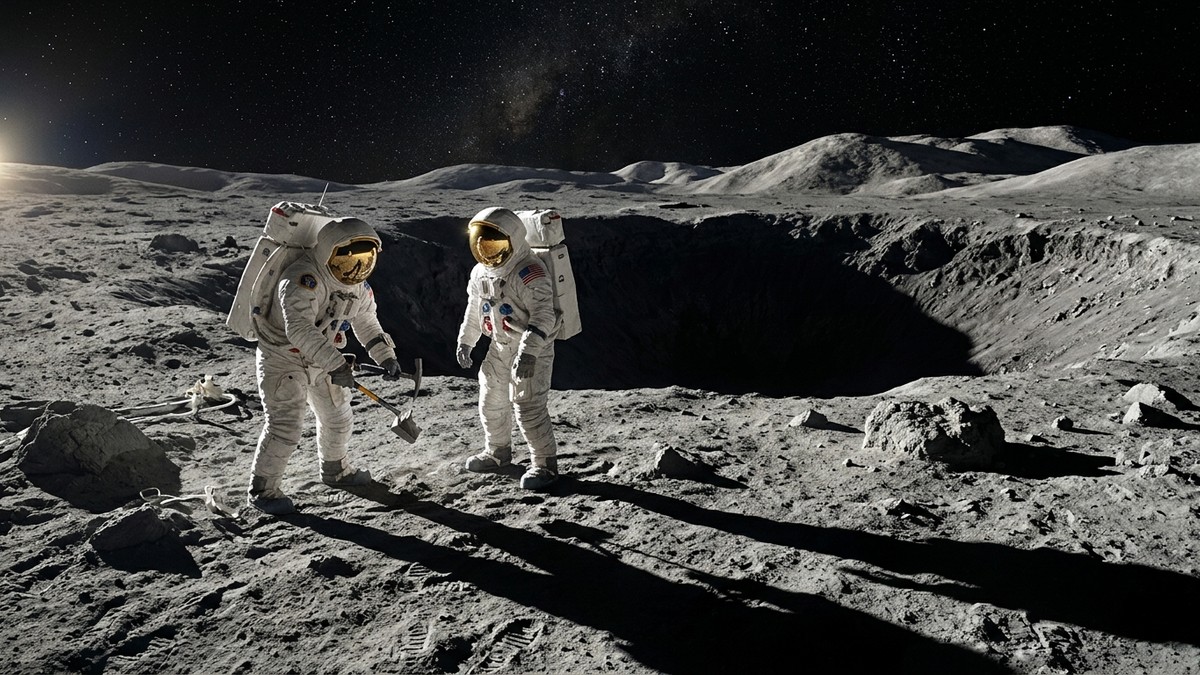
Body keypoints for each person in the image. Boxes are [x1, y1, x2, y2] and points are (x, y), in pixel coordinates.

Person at [245, 216, 403, 514]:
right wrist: (337, 365)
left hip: (325, 359)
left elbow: (366, 321)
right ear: (328, 253)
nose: (355, 269)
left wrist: (385, 356)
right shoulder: (301, 279)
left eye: (363, 261)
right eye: (347, 262)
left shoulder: (357, 287)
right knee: (285, 427)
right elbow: (299, 329)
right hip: (283, 358)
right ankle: (263, 492)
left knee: (338, 416)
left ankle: (335, 470)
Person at [456, 207, 560, 490]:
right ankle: (498, 452)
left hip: (531, 349)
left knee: (527, 406)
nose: (486, 251)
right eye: (481, 244)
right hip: (499, 346)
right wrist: (466, 341)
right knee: (491, 400)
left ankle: (544, 464)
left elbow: (544, 315)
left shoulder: (529, 271)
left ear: (513, 241)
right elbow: (476, 310)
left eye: (494, 245)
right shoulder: (480, 272)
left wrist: (528, 352)